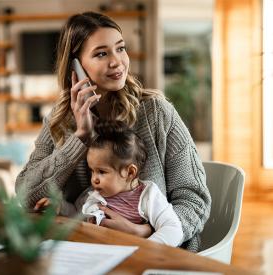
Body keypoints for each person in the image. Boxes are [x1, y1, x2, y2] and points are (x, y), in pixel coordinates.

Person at [15, 11, 211, 251]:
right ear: (76, 67)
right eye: (101, 53)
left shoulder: (156, 112)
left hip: (158, 253)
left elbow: (194, 199)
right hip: (84, 250)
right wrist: (80, 139)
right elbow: (26, 196)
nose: (117, 61)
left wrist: (147, 232)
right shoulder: (59, 120)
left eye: (120, 48)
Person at [81, 120, 183, 247]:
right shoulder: (96, 196)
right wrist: (60, 207)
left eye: (102, 171)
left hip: (135, 257)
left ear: (130, 172)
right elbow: (75, 216)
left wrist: (144, 249)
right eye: (92, 170)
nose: (94, 179)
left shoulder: (148, 196)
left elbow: (173, 229)